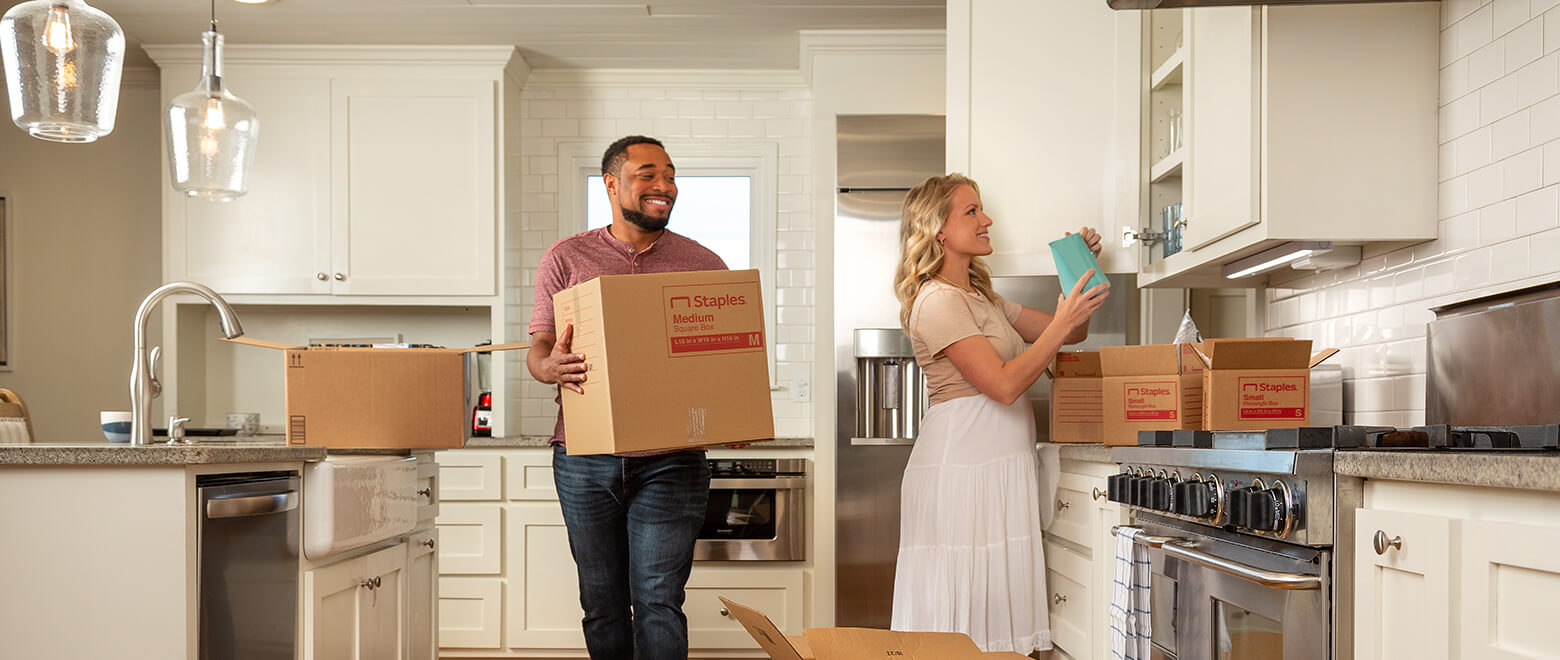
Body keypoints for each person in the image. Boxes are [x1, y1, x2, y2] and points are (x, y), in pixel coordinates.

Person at [889, 173, 1110, 656]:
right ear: (938, 229)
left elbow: (1068, 334)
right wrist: (1061, 325)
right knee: (962, 627)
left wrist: (1082, 269)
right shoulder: (935, 301)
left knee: (989, 624)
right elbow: (1005, 384)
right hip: (963, 475)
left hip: (995, 472)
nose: (987, 219)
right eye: (972, 212)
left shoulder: (979, 296)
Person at [527, 135, 726, 660]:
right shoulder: (567, 257)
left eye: (670, 174)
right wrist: (548, 367)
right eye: (647, 174)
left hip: (672, 460)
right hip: (584, 456)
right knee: (602, 602)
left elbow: (724, 361)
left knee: (659, 600)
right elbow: (539, 350)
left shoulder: (702, 263)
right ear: (612, 184)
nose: (664, 186)